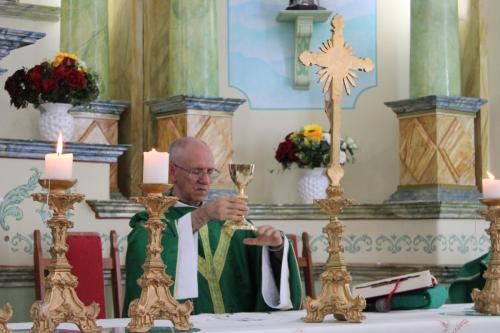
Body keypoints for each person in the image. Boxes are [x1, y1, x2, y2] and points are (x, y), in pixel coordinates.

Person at [123, 137, 302, 316]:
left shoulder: (228, 220)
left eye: (210, 171)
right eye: (197, 171)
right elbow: (144, 258)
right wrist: (202, 215)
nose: (206, 180)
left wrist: (275, 248)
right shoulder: (151, 221)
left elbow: (264, 271)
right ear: (172, 172)